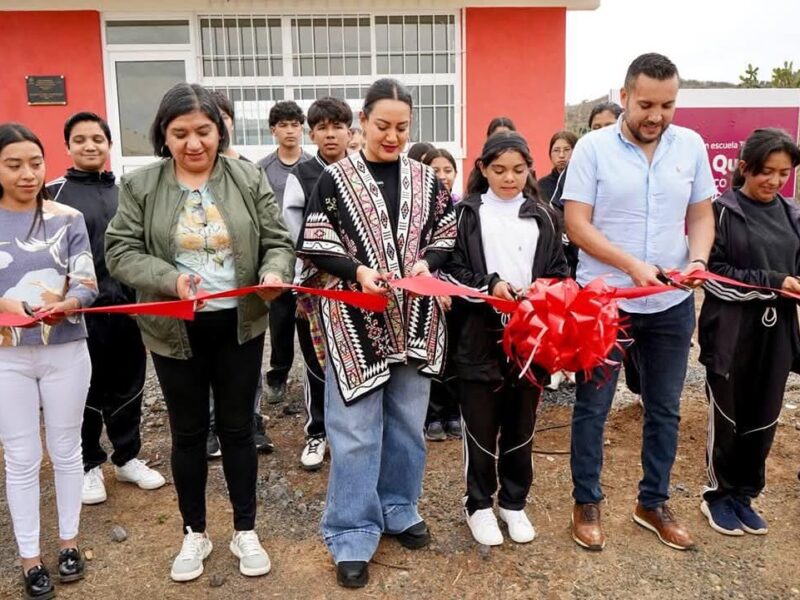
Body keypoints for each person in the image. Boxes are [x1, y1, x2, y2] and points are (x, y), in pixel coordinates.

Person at [105, 83, 295, 582]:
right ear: (163, 136)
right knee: (187, 433)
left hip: (240, 323)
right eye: (180, 133)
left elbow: (277, 240)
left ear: (220, 129)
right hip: (175, 328)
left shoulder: (246, 176)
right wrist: (170, 279)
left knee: (237, 430)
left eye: (204, 131)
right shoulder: (143, 186)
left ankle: (245, 529)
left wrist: (274, 272)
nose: (194, 143)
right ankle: (194, 532)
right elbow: (120, 252)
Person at [297, 78, 456, 589]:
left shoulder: (426, 180)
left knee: (408, 421)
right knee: (355, 429)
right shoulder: (334, 179)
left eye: (402, 127)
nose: (392, 136)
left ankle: (398, 505)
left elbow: (446, 234)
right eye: (383, 125)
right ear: (361, 122)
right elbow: (315, 242)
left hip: (413, 317)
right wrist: (357, 271)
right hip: (354, 322)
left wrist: (426, 263)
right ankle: (350, 530)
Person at [563, 53, 716, 552]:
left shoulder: (690, 146)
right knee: (594, 406)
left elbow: (700, 215)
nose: (657, 115)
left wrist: (697, 259)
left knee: (666, 407)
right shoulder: (592, 148)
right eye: (647, 103)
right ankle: (587, 502)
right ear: (624, 96)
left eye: (668, 105)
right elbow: (577, 224)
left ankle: (653, 502)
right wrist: (630, 266)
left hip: (670, 301)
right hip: (606, 300)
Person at [442, 132, 568, 546]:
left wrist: (541, 290)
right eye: (499, 170)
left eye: (518, 170)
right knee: (480, 424)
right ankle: (478, 504)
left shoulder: (545, 215)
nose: (509, 178)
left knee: (522, 423)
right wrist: (490, 284)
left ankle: (514, 502)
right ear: (482, 169)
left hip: (531, 338)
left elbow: (559, 271)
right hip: (478, 335)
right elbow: (452, 268)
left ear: (530, 169)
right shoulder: (466, 214)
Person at [46, 112, 165, 505]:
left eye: (97, 139)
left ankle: (127, 457)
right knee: (85, 388)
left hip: (128, 309)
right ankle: (88, 464)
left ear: (109, 144)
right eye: (80, 140)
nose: (90, 146)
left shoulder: (127, 192)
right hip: (79, 313)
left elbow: (144, 248)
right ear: (68, 146)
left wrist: (144, 301)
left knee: (130, 383)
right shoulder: (52, 195)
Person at [0, 123, 98, 599]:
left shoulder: (68, 218)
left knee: (66, 450)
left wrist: (72, 302)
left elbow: (86, 279)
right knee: (21, 458)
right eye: (14, 164)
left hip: (65, 348)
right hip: (6, 356)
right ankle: (30, 558)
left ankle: (68, 545)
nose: (27, 174)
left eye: (34, 163)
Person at [698, 128, 800, 536]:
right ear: (743, 168)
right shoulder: (721, 212)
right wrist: (774, 282)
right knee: (728, 415)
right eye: (765, 172)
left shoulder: (792, 215)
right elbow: (712, 273)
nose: (774, 181)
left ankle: (744, 494)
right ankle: (717, 496)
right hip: (730, 332)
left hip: (776, 335)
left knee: (765, 414)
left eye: (783, 173)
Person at [282, 96, 353, 471]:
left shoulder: (362, 171)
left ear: (350, 132)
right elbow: (294, 233)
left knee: (353, 359)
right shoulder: (303, 176)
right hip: (313, 287)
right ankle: (317, 432)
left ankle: (349, 433)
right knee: (315, 362)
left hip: (357, 287)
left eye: (337, 127)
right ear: (312, 134)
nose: (330, 135)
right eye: (322, 128)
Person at [206, 90, 273, 458]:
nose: (218, 125)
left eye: (223, 117)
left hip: (245, 298)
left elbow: (269, 234)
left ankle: (253, 421)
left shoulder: (250, 171)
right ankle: (211, 428)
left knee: (248, 369)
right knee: (206, 372)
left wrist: (270, 270)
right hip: (200, 298)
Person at [257, 100, 312, 411]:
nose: (290, 130)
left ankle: (313, 376)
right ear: (273, 130)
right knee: (280, 319)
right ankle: (278, 375)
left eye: (295, 124)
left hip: (310, 256)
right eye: (283, 125)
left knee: (309, 317)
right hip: (278, 257)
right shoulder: (261, 169)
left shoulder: (313, 166)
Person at [420, 147, 462, 441]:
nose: (443, 176)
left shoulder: (465, 208)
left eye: (448, 170)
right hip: (428, 292)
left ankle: (454, 411)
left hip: (458, 291)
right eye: (436, 170)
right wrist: (434, 289)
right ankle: (433, 415)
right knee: (430, 355)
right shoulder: (418, 209)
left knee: (456, 355)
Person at [538, 131, 577, 203]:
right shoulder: (542, 185)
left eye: (567, 150)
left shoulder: (584, 181)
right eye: (556, 150)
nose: (561, 155)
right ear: (550, 155)